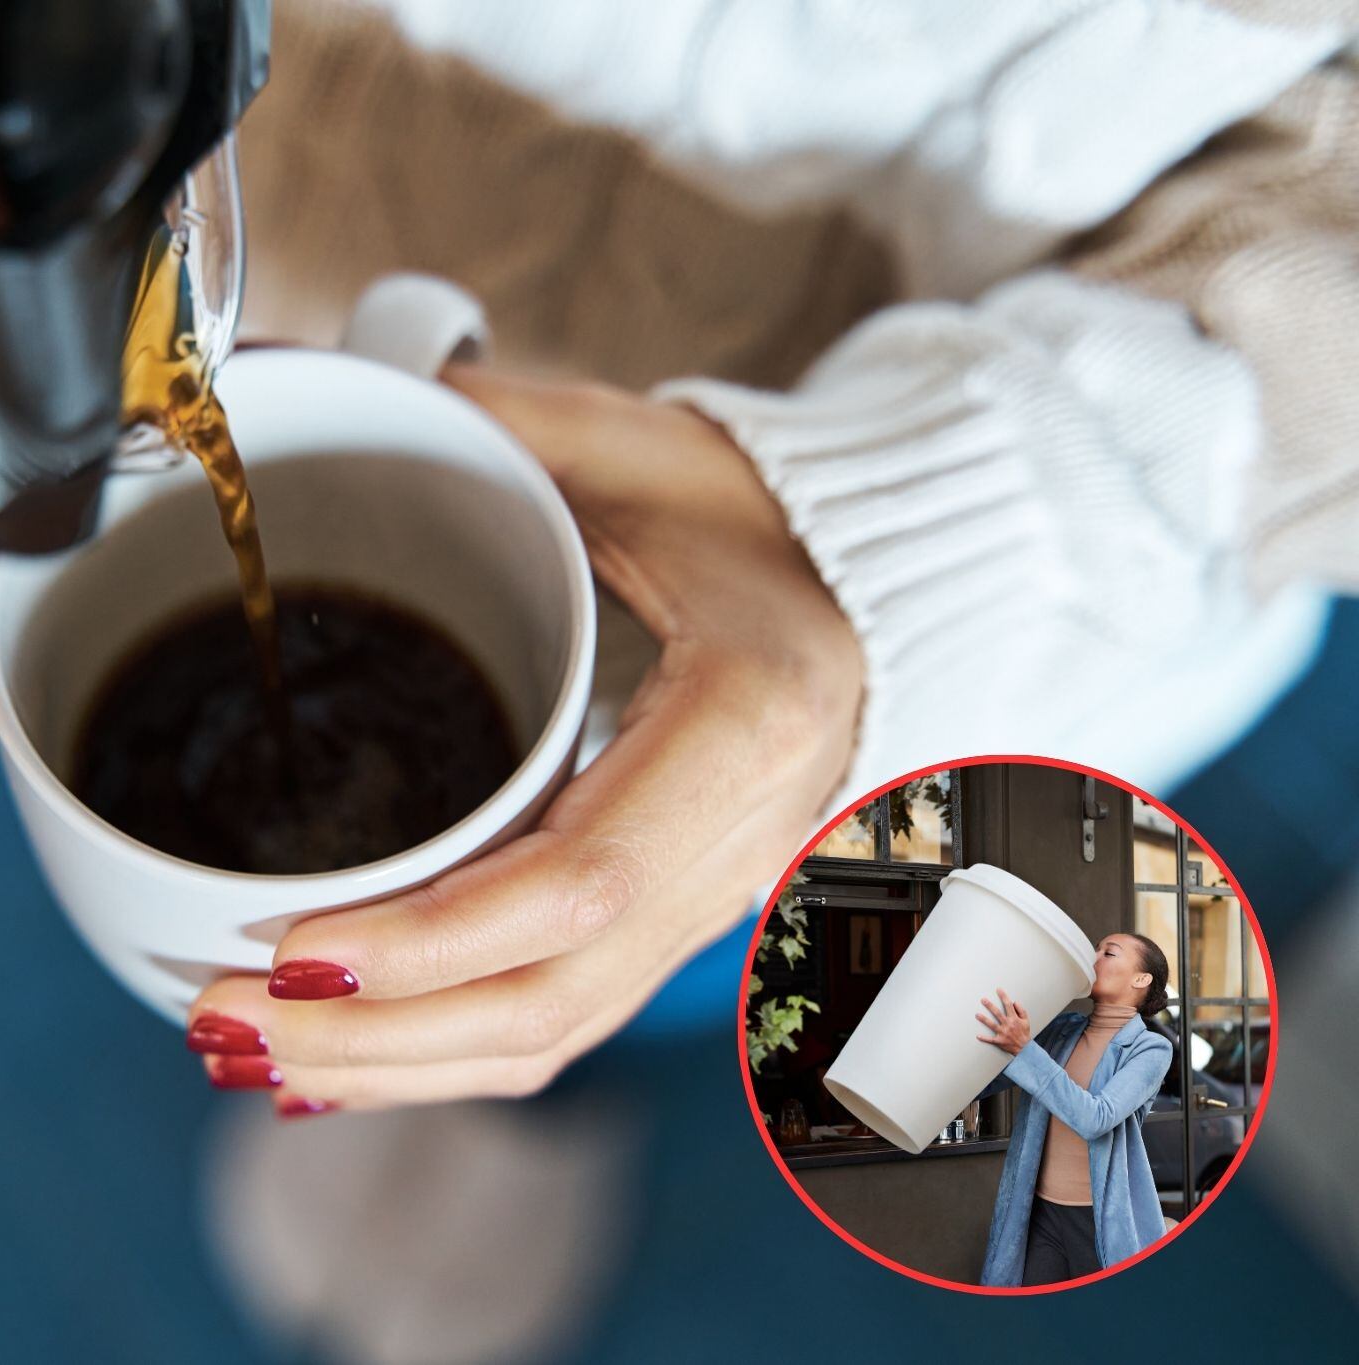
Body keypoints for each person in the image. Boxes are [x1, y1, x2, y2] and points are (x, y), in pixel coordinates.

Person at [180, 0, 1357, 1116]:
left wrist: (929, 522)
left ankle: (538, 1100)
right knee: (537, 950)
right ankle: (454, 1068)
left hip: (985, 632)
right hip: (266, 216)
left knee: (655, 940)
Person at [974, 934, 1176, 1286]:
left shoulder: (1150, 1049)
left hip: (1099, 1217)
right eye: (1095, 949)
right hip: (1040, 1211)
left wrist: (1024, 1051)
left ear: (1140, 979)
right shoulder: (1063, 1029)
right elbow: (988, 1080)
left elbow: (1095, 1118)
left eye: (1108, 952)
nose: (1094, 956)